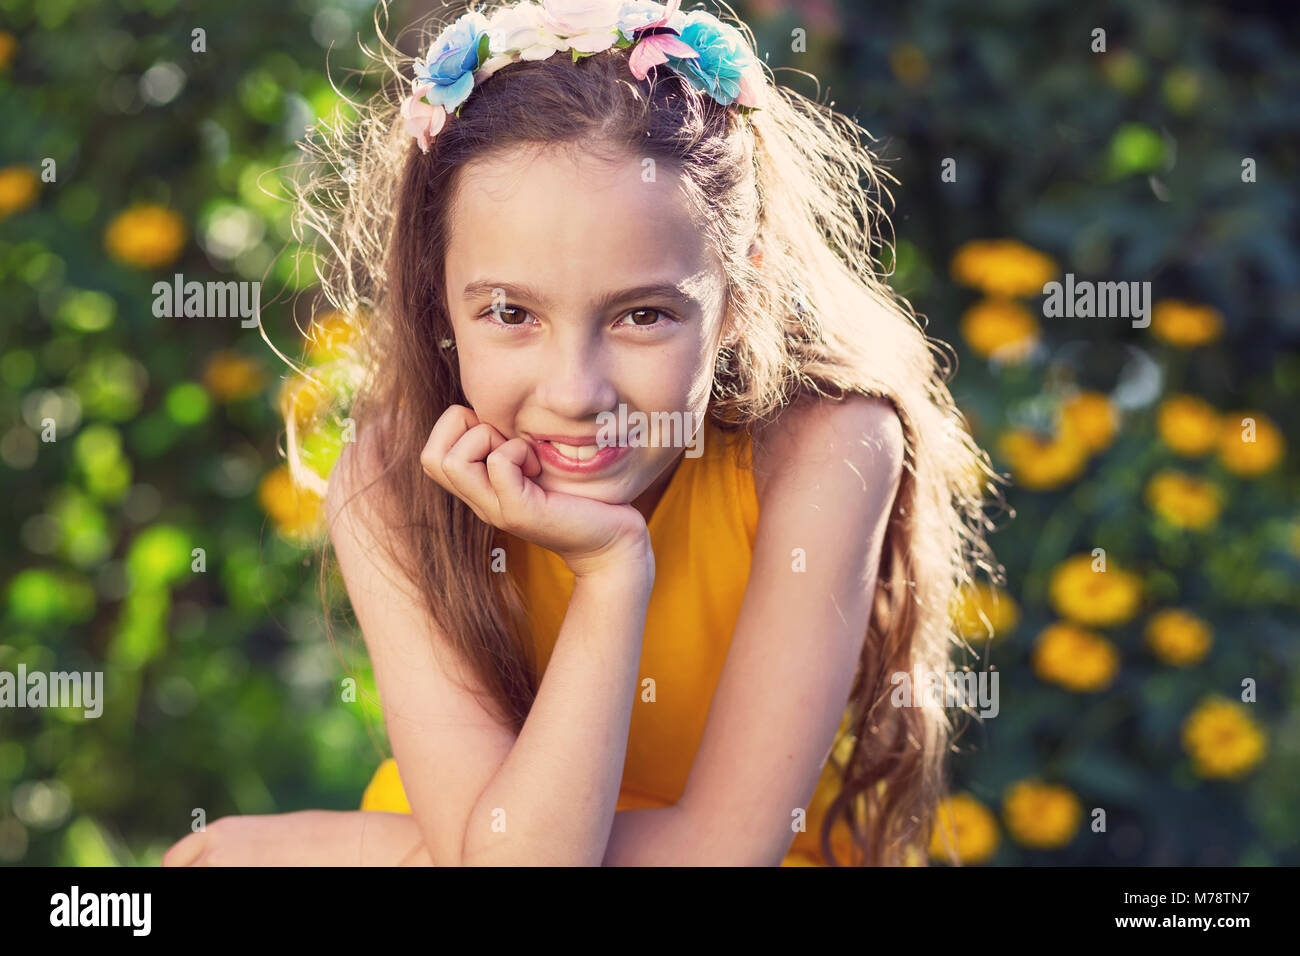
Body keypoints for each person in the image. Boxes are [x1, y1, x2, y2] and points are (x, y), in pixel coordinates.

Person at [163, 0, 997, 867]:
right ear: (434, 289)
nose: (575, 393)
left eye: (642, 315)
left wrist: (352, 850)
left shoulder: (825, 445)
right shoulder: (393, 477)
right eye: (511, 312)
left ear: (741, 286)